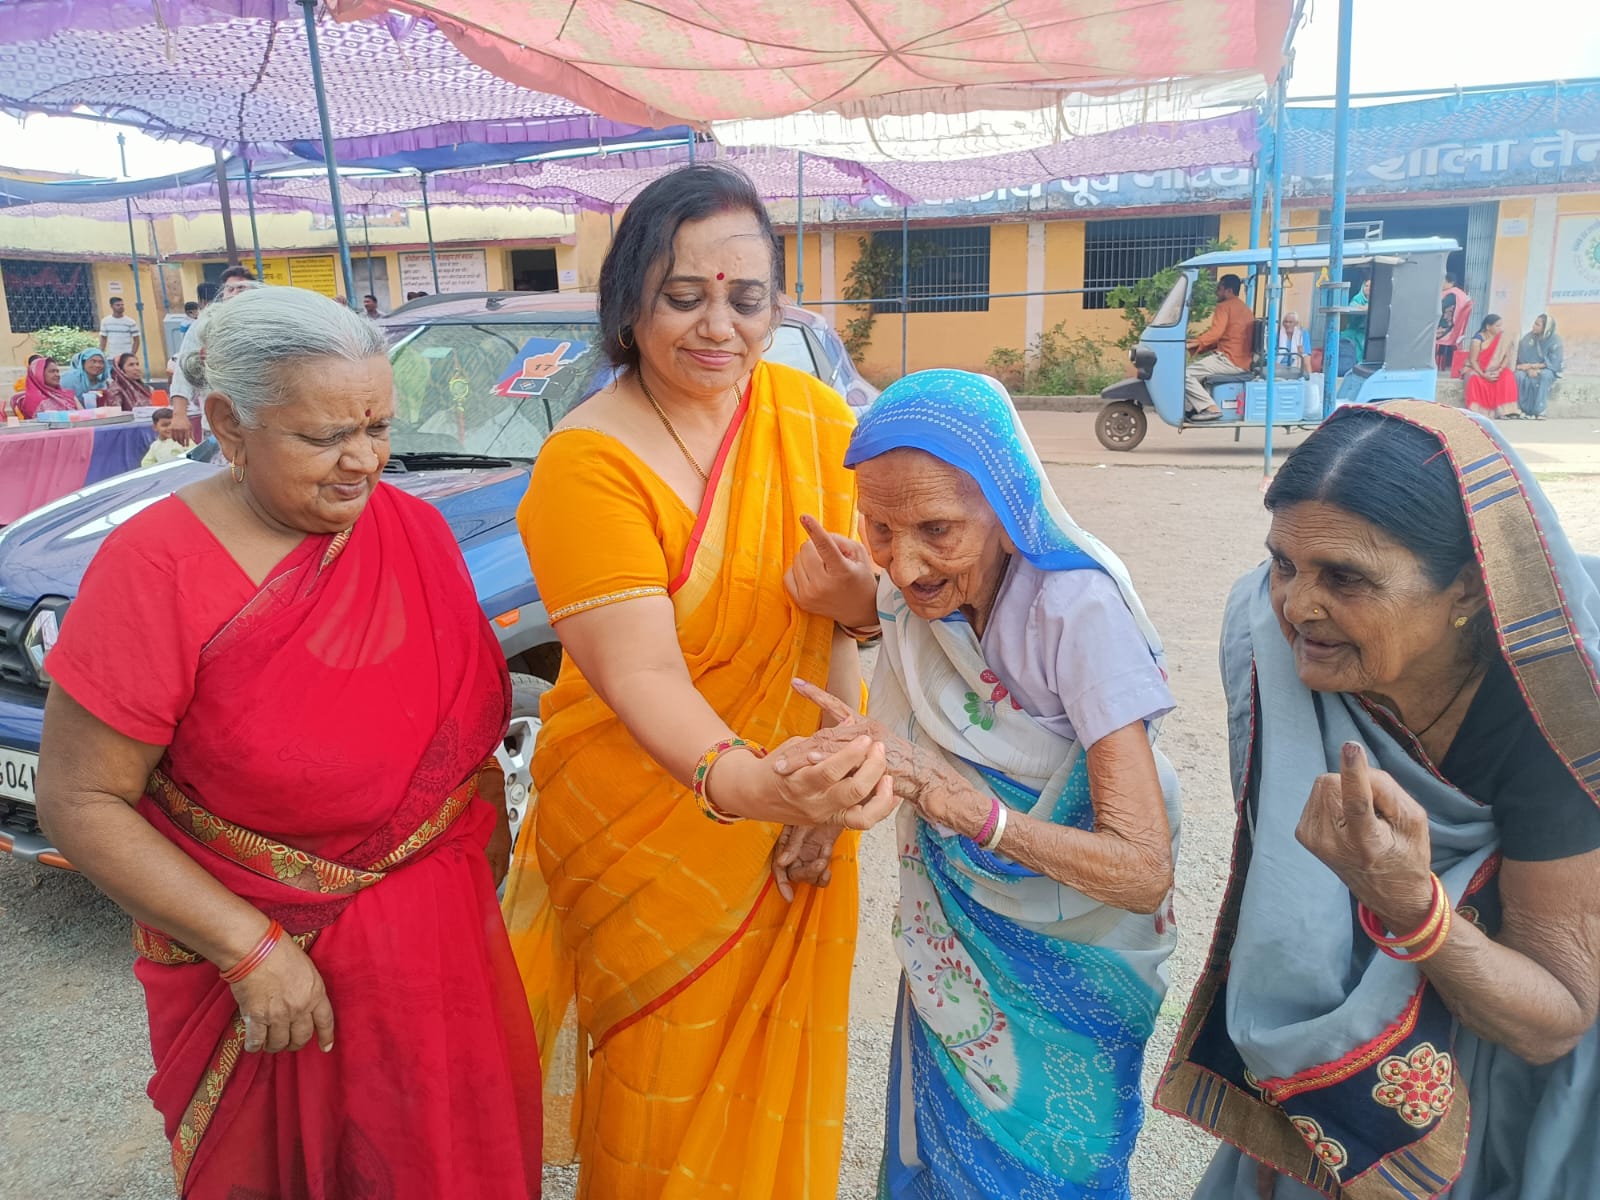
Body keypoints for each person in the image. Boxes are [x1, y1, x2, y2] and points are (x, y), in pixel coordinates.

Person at [34, 286, 543, 1199]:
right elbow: (81, 798)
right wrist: (248, 949)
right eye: (324, 436)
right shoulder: (154, 567)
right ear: (228, 423)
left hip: (438, 942)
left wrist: (483, 849)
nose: (364, 461)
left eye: (378, 427)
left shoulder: (414, 531)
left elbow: (462, 738)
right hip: (272, 972)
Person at [500, 163, 897, 1199]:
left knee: (773, 1094)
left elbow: (843, 627)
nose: (719, 325)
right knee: (659, 1100)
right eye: (684, 296)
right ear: (629, 303)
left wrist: (830, 780)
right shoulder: (587, 462)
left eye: (747, 298)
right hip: (648, 827)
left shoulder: (813, 418)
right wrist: (757, 786)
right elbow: (640, 674)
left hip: (800, 799)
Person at [1157, 401, 1600, 1199]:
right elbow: (1292, 901)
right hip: (1359, 1031)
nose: (1297, 606)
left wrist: (1409, 904)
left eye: (1345, 578)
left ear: (1470, 586)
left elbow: (1556, 1016)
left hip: (1513, 1046)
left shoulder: (1556, 709)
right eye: (1283, 563)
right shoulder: (1274, 644)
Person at [775, 369, 1181, 1198]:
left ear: (1007, 505)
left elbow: (1142, 871)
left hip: (1076, 973)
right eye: (879, 528)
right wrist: (823, 809)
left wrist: (976, 815)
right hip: (962, 955)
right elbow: (890, 639)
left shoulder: (1077, 614)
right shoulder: (919, 601)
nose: (906, 563)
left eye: (937, 529)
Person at [169, 269, 258, 442]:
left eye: (241, 288)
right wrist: (179, 414)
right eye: (229, 289)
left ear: (254, 292)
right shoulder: (204, 324)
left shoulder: (265, 324)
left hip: (261, 425)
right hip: (218, 425)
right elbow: (184, 369)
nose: (234, 293)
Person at [1184, 273, 1254, 421]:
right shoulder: (1245, 309)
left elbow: (1216, 333)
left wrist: (1195, 343)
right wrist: (1197, 342)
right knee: (1196, 371)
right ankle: (1192, 408)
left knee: (1185, 375)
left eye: (1219, 289)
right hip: (1241, 361)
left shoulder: (1224, 306)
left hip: (1229, 360)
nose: (1216, 292)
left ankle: (1211, 408)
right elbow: (1228, 337)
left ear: (1229, 291)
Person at [1462, 313, 1517, 419]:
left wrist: (1499, 370)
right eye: (1497, 326)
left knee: (1508, 375)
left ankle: (1504, 411)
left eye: (1501, 326)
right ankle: (1479, 411)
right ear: (1488, 327)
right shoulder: (1477, 340)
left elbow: (1506, 357)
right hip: (1479, 369)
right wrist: (1484, 375)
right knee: (1473, 378)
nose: (1500, 328)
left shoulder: (1502, 339)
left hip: (1496, 369)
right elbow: (1473, 361)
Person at [1514, 313, 1564, 420]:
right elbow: (1521, 359)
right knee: (1518, 376)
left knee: (1544, 376)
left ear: (1546, 328)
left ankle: (1540, 410)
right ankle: (1520, 409)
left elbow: (1554, 362)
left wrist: (1535, 367)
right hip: (1527, 368)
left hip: (1547, 369)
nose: (1533, 326)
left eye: (1537, 324)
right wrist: (1529, 369)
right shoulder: (1528, 338)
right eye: (1534, 323)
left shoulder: (1555, 341)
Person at [1436, 274, 1472, 375]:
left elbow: (1440, 308)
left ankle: (1435, 364)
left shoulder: (1451, 295)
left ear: (1451, 283)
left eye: (1443, 282)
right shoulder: (1460, 293)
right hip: (1455, 328)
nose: (1441, 284)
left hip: (1446, 328)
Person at [100, 295, 141, 360]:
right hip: (111, 357)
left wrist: (132, 354)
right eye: (118, 305)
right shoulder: (105, 321)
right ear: (111, 306)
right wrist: (101, 353)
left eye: (122, 305)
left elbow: (136, 340)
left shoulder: (131, 322)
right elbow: (103, 338)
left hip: (126, 357)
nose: (121, 307)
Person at [1277, 310, 1308, 376]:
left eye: (1291, 322)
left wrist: (1310, 376)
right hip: (1279, 367)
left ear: (1296, 323)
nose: (1287, 324)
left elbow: (1306, 359)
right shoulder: (1278, 334)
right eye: (1285, 322)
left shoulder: (1302, 334)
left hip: (1295, 368)